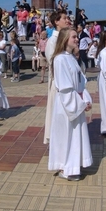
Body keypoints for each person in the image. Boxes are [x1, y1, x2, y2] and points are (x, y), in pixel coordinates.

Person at [48, 27, 93, 181]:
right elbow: (66, 87)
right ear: (65, 39)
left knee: (74, 136)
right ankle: (65, 168)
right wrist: (79, 103)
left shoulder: (72, 58)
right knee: (66, 136)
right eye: (74, 37)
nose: (77, 39)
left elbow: (81, 83)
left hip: (76, 102)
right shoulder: (59, 59)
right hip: (67, 105)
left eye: (76, 37)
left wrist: (85, 99)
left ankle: (73, 166)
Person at [43, 10, 69, 144]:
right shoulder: (52, 41)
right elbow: (53, 62)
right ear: (56, 22)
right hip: (57, 82)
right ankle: (55, 139)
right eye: (64, 18)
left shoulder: (66, 39)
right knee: (56, 110)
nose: (67, 20)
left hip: (67, 81)